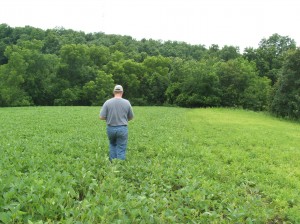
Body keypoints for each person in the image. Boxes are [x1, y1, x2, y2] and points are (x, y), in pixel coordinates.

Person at [99, 85, 134, 161]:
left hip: (110, 128)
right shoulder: (127, 102)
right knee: (121, 147)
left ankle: (113, 163)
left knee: (112, 145)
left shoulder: (107, 102)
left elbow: (101, 117)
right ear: (122, 92)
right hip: (122, 128)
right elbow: (131, 117)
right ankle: (120, 165)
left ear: (113, 92)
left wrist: (109, 118)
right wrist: (124, 119)